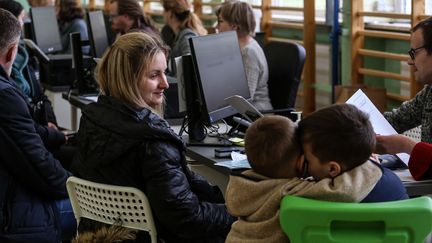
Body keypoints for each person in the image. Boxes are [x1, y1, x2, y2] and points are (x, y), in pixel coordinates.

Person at [71, 32, 235, 243]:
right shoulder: (153, 142)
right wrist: (232, 214)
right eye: (154, 75)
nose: (165, 84)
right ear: (128, 80)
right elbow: (186, 218)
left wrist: (217, 200)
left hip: (98, 234)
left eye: (165, 73)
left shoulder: (90, 119)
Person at [225, 115, 384, 242]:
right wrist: (368, 163)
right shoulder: (288, 190)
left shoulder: (241, 184)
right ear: (301, 163)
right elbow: (344, 191)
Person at [0, 9, 75, 242]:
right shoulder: (5, 96)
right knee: (105, 212)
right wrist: (81, 189)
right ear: (12, 51)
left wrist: (57, 137)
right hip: (11, 218)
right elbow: (42, 170)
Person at [298, 103, 408, 202]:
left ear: (332, 169)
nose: (302, 163)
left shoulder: (320, 199)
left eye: (307, 161)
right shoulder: (393, 183)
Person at [215, 0, 272, 111]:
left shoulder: (248, 52)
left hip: (257, 115)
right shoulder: (238, 48)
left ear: (235, 26)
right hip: (243, 112)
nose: (217, 27)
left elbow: (244, 100)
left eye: (220, 21)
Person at [383, 17, 432, 142]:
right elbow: (396, 120)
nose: (409, 61)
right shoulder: (429, 92)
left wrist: (407, 147)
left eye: (414, 53)